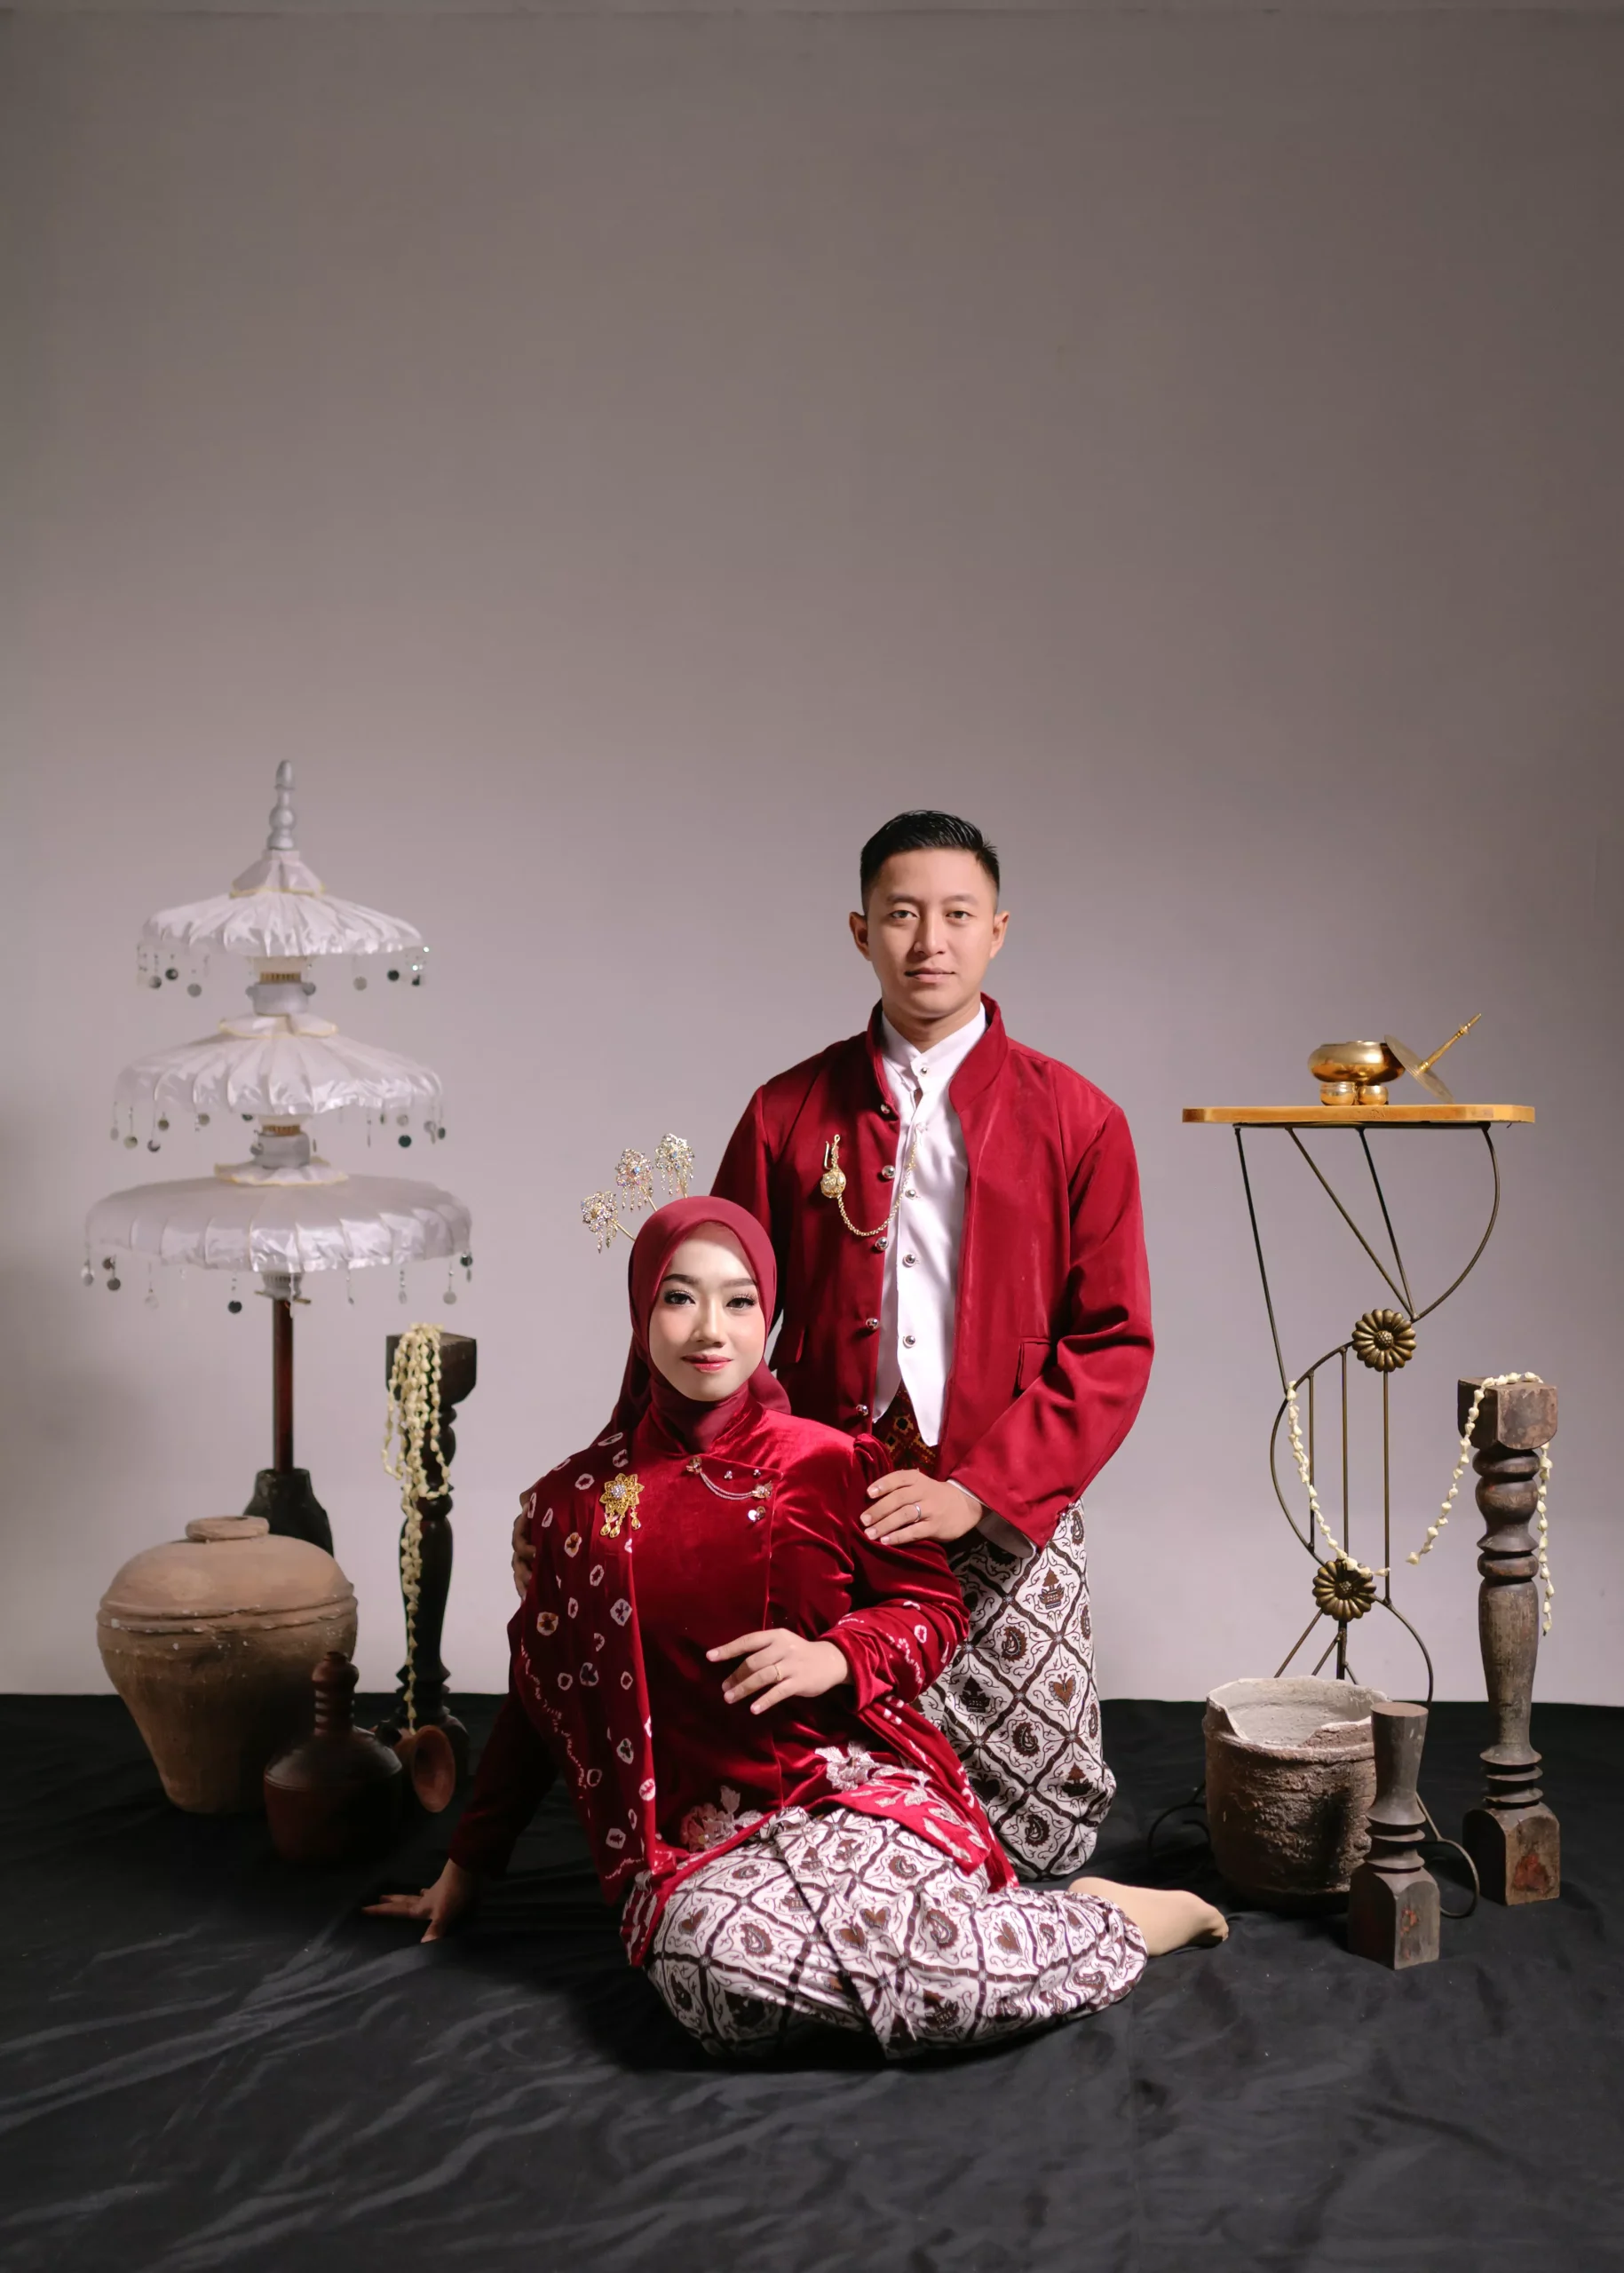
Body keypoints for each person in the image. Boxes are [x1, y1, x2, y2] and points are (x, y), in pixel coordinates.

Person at [376, 1199, 1222, 2060]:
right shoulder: (575, 1503)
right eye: (679, 1298)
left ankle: (1100, 1917)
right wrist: (466, 1868)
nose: (710, 1329)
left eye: (739, 1301)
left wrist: (835, 1656)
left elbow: (932, 1609)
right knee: (717, 1985)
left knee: (916, 1965)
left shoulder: (829, 1461)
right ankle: (1020, 1936)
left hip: (848, 1794)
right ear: (641, 1311)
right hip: (694, 1853)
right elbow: (539, 1695)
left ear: (766, 1314)